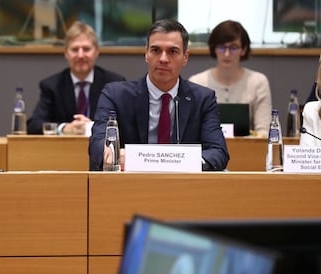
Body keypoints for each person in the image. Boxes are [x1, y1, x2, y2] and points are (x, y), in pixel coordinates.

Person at [89, 19, 229, 171]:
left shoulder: (203, 99)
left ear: (185, 57)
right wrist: (112, 155)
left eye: (172, 51)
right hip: (130, 183)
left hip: (184, 186)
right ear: (146, 54)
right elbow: (97, 144)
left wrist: (186, 163)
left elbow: (218, 152)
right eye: (156, 50)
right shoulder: (115, 95)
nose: (163, 59)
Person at [27, 21, 126, 135]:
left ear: (96, 52)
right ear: (66, 53)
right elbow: (34, 125)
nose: (80, 55)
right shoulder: (52, 86)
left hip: (103, 150)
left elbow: (126, 124)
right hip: (64, 151)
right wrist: (64, 128)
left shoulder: (114, 83)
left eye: (86, 49)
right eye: (74, 49)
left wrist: (91, 127)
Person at [188, 20, 272, 137]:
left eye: (233, 48)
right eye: (222, 48)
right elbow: (191, 130)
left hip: (248, 151)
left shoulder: (258, 82)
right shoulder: (197, 82)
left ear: (243, 49)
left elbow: (264, 131)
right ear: (214, 49)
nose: (227, 54)